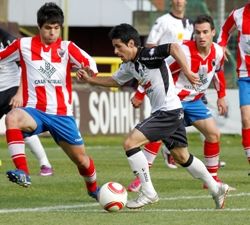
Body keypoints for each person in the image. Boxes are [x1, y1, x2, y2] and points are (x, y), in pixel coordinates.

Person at [77, 23, 229, 209]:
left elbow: (173, 47)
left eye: (118, 46)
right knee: (182, 157)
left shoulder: (148, 55)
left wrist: (188, 71)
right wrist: (89, 79)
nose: (115, 51)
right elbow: (114, 80)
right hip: (171, 112)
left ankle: (148, 192)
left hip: (168, 112)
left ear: (131, 43)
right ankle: (216, 188)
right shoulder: (129, 66)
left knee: (130, 143)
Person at [0, 2, 99, 200]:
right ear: (39, 27)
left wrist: (85, 73)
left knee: (82, 161)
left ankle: (94, 189)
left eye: (56, 28)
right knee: (12, 117)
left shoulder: (67, 48)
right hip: (35, 111)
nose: (52, 32)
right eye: (48, 28)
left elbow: (91, 66)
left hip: (62, 114)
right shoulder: (23, 45)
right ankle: (23, 172)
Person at [128, 15, 229, 192]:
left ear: (213, 32)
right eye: (197, 32)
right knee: (157, 135)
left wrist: (221, 96)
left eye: (205, 32)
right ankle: (140, 180)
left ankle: (211, 180)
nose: (201, 36)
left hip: (195, 101)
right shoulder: (184, 52)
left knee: (213, 134)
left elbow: (218, 71)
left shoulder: (218, 52)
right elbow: (157, 71)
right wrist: (140, 92)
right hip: (174, 100)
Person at [142, 0, 194, 170]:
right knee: (162, 118)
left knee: (205, 127)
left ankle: (169, 148)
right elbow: (150, 45)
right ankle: (147, 167)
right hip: (163, 78)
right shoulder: (163, 21)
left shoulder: (190, 25)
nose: (179, 1)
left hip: (183, 79)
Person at [0, 27, 53, 176]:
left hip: (11, 88)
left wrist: (20, 93)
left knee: (23, 128)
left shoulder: (6, 37)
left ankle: (45, 163)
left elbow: (25, 63)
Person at [217, 1, 250, 175]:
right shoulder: (238, 14)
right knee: (246, 119)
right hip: (245, 76)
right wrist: (221, 47)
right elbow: (223, 31)